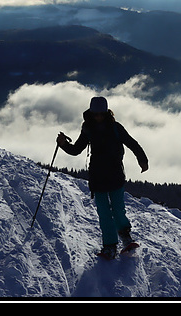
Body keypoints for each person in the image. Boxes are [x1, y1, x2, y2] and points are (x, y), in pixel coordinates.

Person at [57, 96, 149, 259]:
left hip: (113, 175)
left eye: (101, 113)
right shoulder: (88, 129)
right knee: (104, 212)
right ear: (91, 113)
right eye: (96, 114)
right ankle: (110, 245)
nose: (98, 116)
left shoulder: (115, 127)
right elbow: (77, 149)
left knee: (118, 209)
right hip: (99, 176)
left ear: (106, 112)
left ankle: (124, 236)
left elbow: (131, 143)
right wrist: (63, 144)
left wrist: (142, 160)